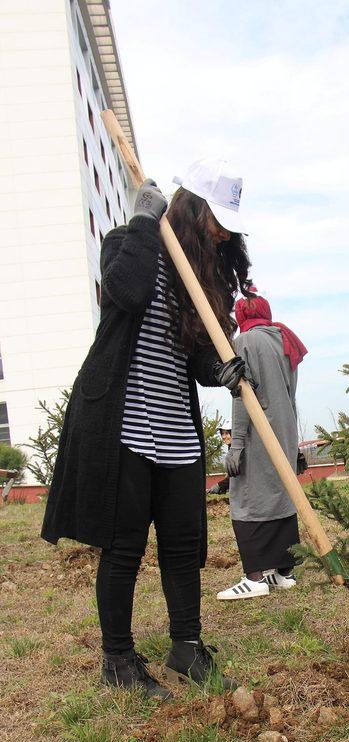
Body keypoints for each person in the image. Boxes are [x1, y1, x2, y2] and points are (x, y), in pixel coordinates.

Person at [42, 160, 252, 698]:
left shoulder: (202, 278)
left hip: (177, 430)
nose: (225, 233)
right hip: (124, 424)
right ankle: (117, 659)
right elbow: (126, 293)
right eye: (218, 220)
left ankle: (186, 646)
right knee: (125, 546)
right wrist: (140, 221)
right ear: (192, 208)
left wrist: (222, 369)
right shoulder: (128, 246)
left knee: (184, 546)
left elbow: (199, 359)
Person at [217, 288, 307, 600]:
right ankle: (284, 573)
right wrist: (294, 445)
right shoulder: (284, 339)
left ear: (241, 316)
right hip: (284, 427)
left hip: (259, 430)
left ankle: (253, 578)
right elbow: (291, 393)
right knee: (283, 492)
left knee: (246, 498)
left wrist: (237, 444)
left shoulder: (243, 342)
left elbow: (244, 394)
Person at [209, 419, 232, 495]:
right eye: (222, 433)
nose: (224, 436)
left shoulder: (239, 450)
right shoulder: (231, 448)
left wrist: (220, 485)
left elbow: (238, 476)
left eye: (227, 433)